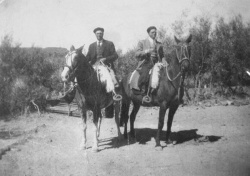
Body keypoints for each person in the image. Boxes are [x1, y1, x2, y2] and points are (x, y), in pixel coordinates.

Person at [135, 26, 164, 102]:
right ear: (148, 33)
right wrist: (145, 51)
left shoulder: (159, 44)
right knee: (145, 75)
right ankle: (144, 94)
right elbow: (137, 54)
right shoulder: (142, 42)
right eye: (152, 32)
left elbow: (162, 56)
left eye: (155, 32)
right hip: (146, 63)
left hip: (157, 63)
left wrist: (165, 63)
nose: (154, 33)